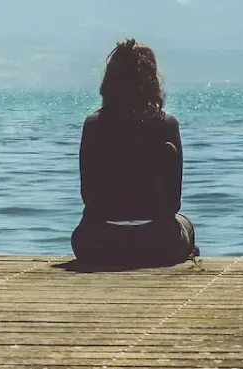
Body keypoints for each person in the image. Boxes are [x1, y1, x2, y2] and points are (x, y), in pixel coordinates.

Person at [71, 39, 198, 266]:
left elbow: (88, 196)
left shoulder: (93, 125)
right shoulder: (167, 124)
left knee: (81, 232)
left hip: (100, 241)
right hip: (159, 241)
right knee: (185, 223)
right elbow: (173, 202)